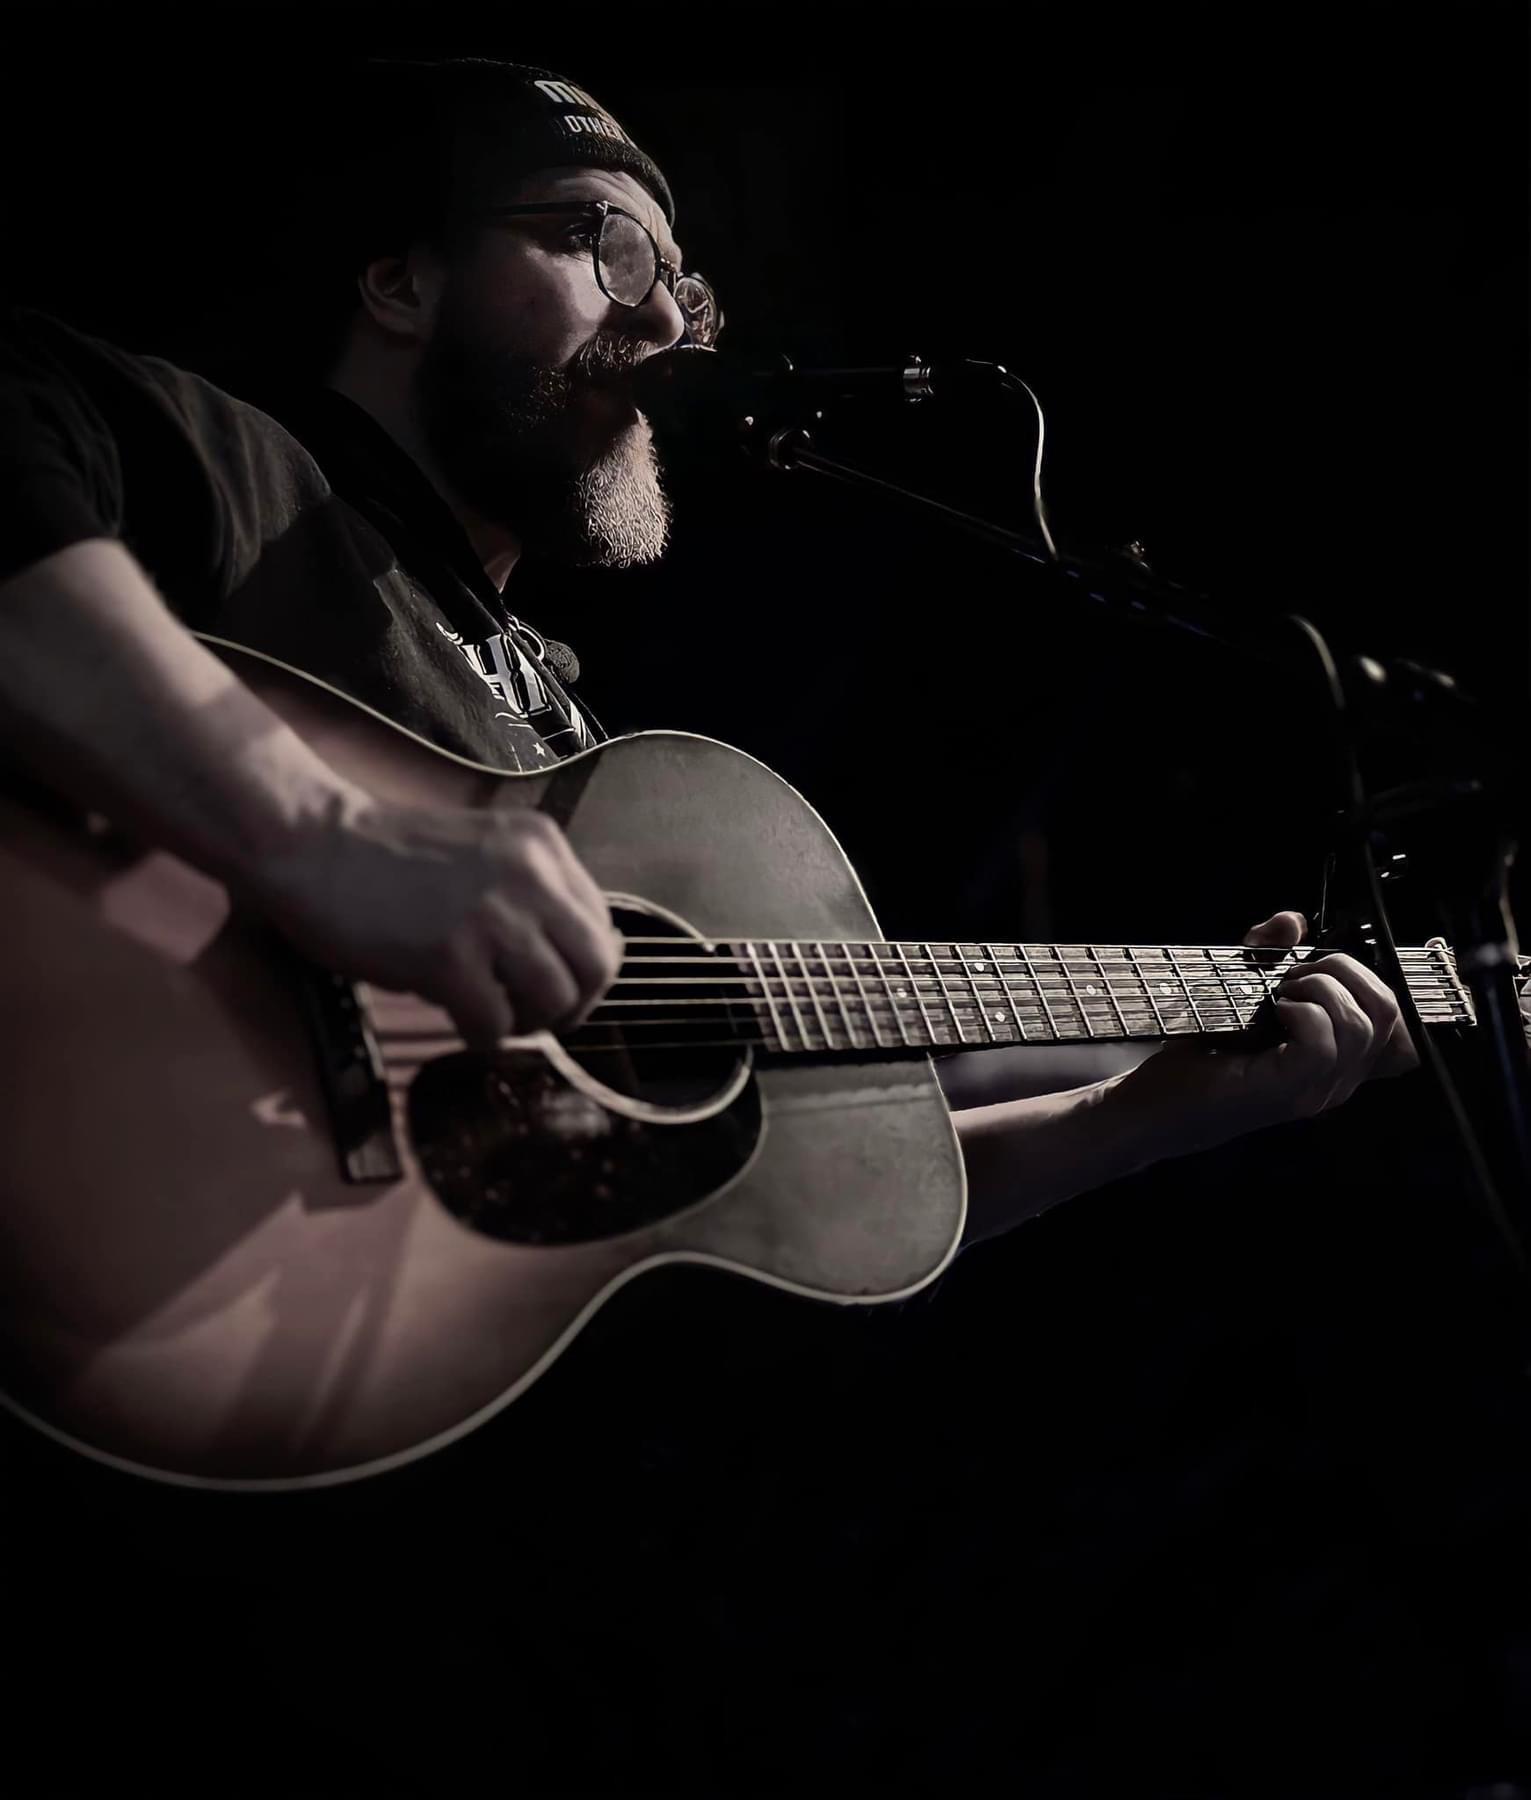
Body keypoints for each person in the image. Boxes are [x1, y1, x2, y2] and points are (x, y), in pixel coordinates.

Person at [0, 56, 1439, 1792]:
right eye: (603, 243)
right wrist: (310, 829)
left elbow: (771, 1204)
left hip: (396, 1591)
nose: (669, 311)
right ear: (401, 281)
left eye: (681, 275)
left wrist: (1161, 1112)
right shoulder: (227, 470)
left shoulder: (565, 743)